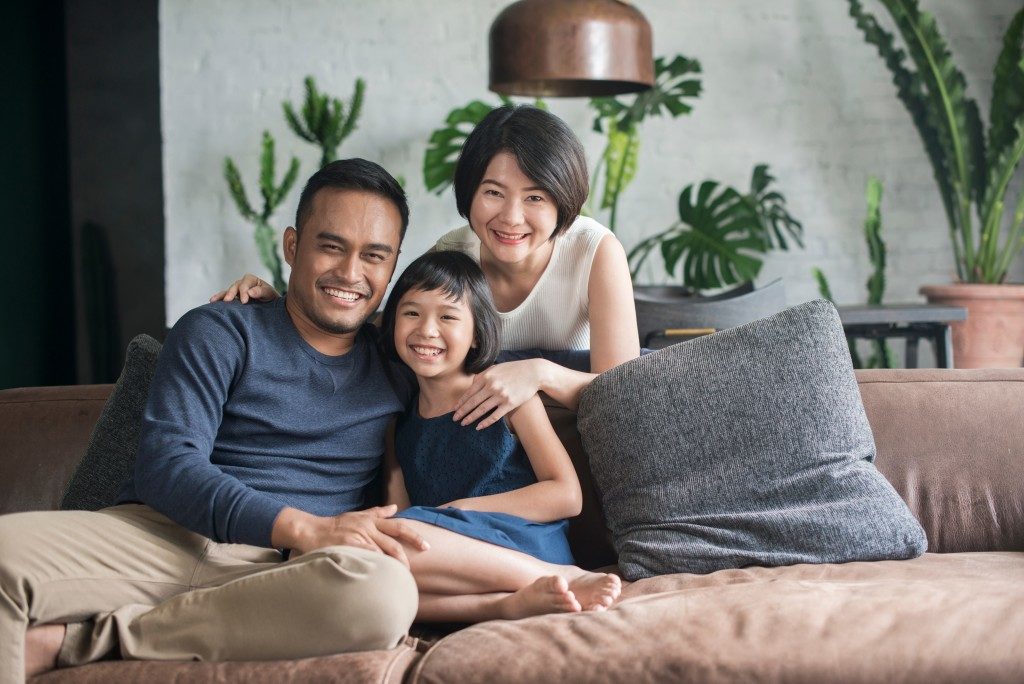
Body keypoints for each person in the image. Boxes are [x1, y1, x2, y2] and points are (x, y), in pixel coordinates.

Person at [0, 159, 431, 683]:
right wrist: (305, 526)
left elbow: (484, 308)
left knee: (384, 594)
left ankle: (88, 642)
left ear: (393, 268)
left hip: (287, 571)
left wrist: (545, 375)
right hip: (162, 538)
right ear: (292, 247)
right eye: (331, 247)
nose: (350, 273)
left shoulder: (403, 359)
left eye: (374, 256)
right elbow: (167, 465)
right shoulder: (220, 330)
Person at [213, 104, 640, 429]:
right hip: (477, 428)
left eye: (535, 197)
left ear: (563, 200)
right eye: (493, 192)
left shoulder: (595, 251)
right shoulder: (453, 252)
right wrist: (282, 308)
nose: (511, 217)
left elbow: (624, 392)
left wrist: (538, 373)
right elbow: (387, 331)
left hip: (570, 424)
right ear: (470, 191)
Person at [378, 250, 621, 622]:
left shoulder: (506, 391)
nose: (426, 329)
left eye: (447, 316)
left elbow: (566, 496)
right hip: (452, 560)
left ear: (476, 335)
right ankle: (506, 605)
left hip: (525, 546)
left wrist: (459, 510)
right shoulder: (400, 425)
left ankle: (561, 577)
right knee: (375, 574)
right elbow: (404, 519)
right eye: (411, 313)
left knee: (388, 547)